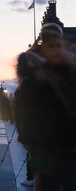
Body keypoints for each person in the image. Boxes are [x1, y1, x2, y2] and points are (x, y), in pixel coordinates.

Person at [14, 23, 76, 190]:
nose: (56, 50)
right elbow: (22, 111)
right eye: (51, 46)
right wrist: (27, 139)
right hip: (44, 147)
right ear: (43, 48)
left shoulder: (68, 72)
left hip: (69, 146)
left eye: (59, 46)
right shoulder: (33, 79)